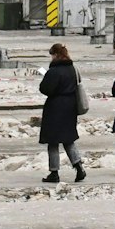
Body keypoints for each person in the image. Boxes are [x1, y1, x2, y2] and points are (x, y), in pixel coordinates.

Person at [38, 42, 86, 183]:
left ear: (56, 54)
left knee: (52, 141)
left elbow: (45, 89)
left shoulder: (54, 71)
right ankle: (79, 168)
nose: (51, 57)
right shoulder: (72, 68)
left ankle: (54, 172)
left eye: (52, 54)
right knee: (68, 139)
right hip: (70, 107)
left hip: (55, 107)